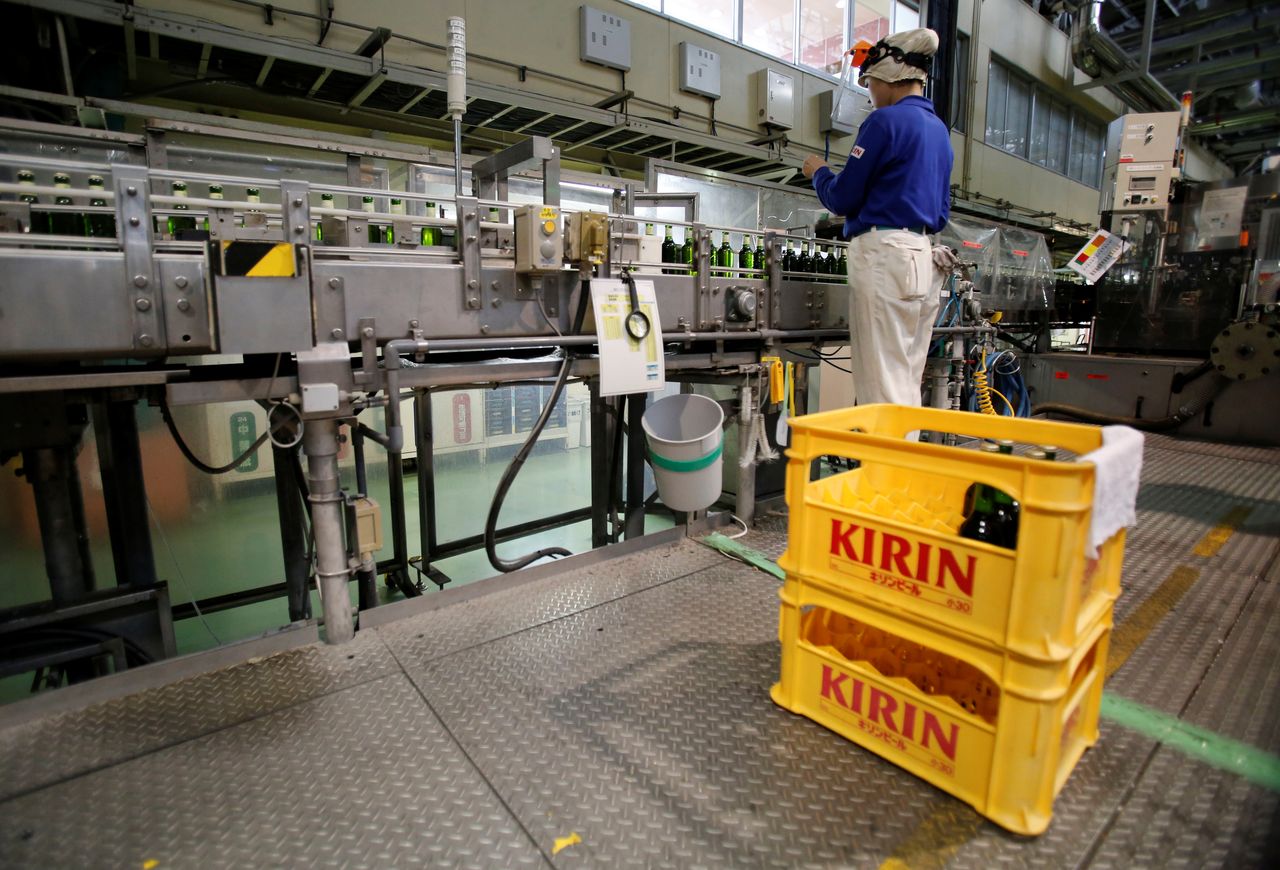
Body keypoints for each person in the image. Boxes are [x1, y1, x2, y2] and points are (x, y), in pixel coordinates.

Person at [802, 28, 957, 407]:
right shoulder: (939, 131)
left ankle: (885, 466)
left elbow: (842, 197)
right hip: (922, 257)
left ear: (889, 75)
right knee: (904, 380)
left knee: (880, 388)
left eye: (869, 82)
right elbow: (940, 210)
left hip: (884, 257)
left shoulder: (884, 123)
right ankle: (905, 462)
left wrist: (819, 172)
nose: (869, 93)